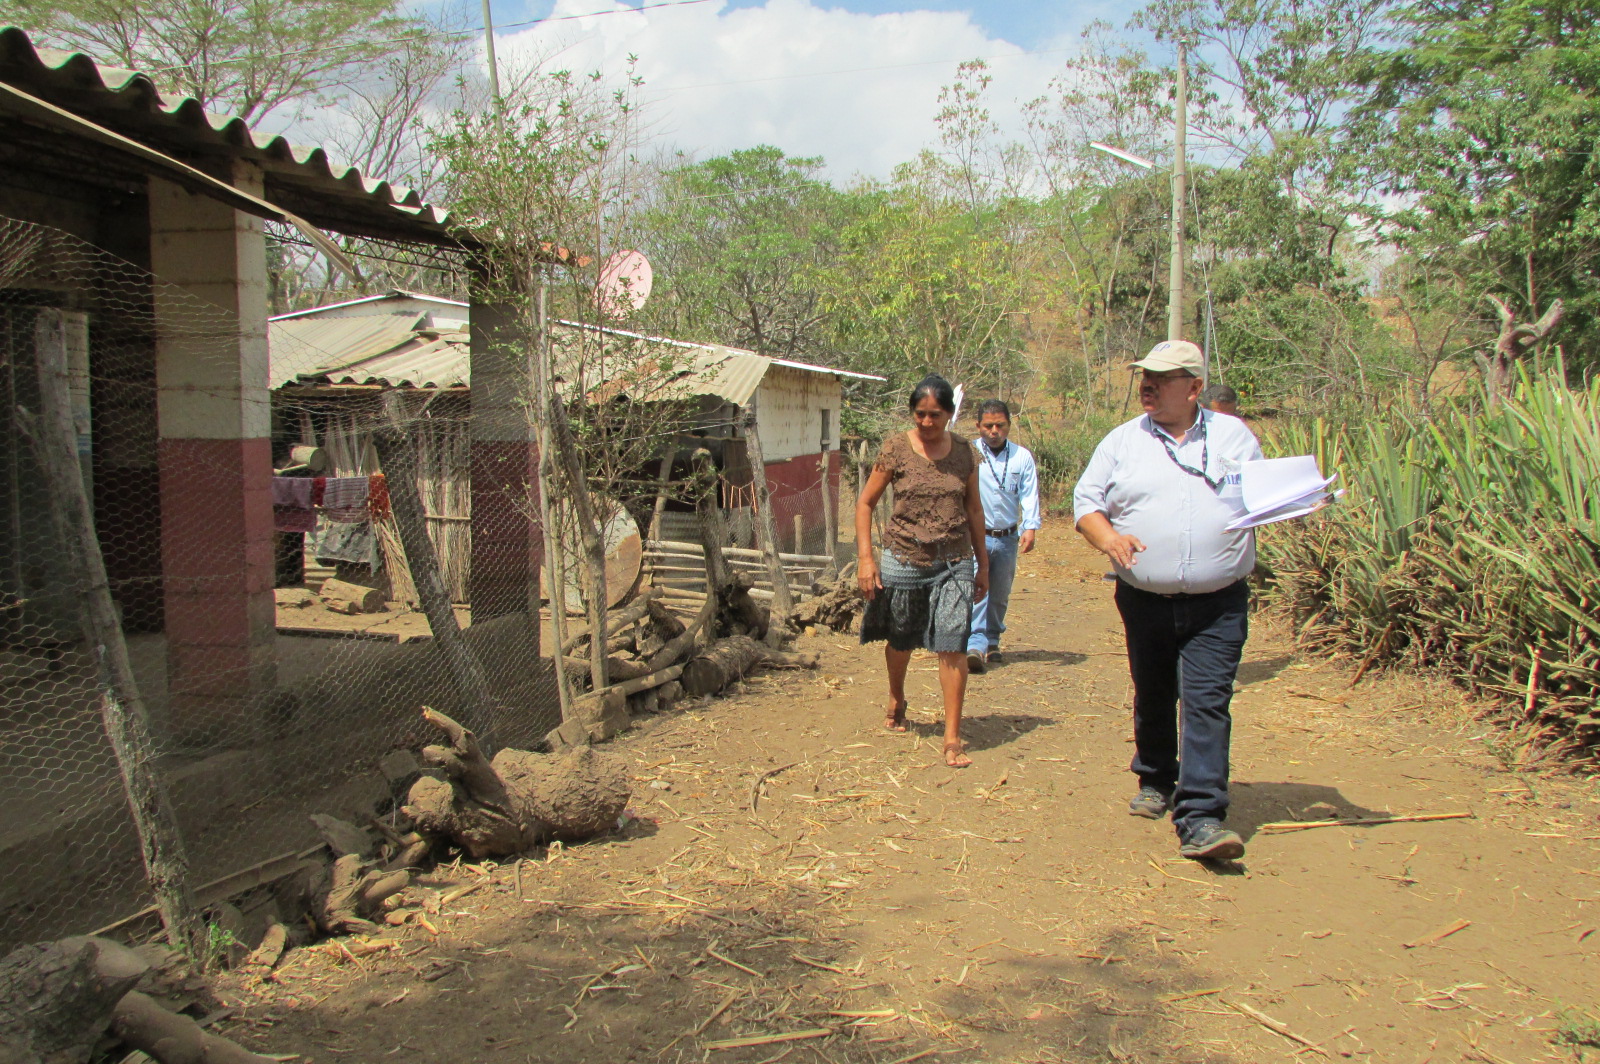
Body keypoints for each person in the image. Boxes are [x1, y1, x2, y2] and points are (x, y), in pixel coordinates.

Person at [1072, 340, 1263, 861]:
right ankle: (1156, 776)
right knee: (1153, 690)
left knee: (1206, 700)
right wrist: (1108, 539)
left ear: (1195, 387)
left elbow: (1262, 499)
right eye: (1144, 376)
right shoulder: (1121, 442)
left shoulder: (1234, 438)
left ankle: (1201, 815)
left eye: (1162, 377)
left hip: (1218, 601)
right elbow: (1086, 501)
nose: (1147, 385)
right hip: (1144, 598)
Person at [857, 375, 990, 768]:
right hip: (903, 557)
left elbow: (974, 510)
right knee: (901, 637)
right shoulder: (896, 448)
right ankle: (897, 696)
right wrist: (867, 559)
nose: (927, 423)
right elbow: (865, 504)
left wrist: (983, 564)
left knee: (953, 642)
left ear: (949, 414)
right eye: (920, 415)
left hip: (953, 560)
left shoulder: (965, 452)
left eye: (935, 415)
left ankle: (952, 735)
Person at [965, 399, 1041, 674]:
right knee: (977, 589)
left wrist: (1030, 526)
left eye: (1000, 425)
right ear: (978, 426)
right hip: (976, 536)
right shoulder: (969, 453)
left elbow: (1029, 493)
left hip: (1007, 537)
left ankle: (993, 640)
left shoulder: (1022, 457)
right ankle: (974, 644)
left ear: (1009, 425)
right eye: (988, 425)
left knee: (1000, 592)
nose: (994, 430)